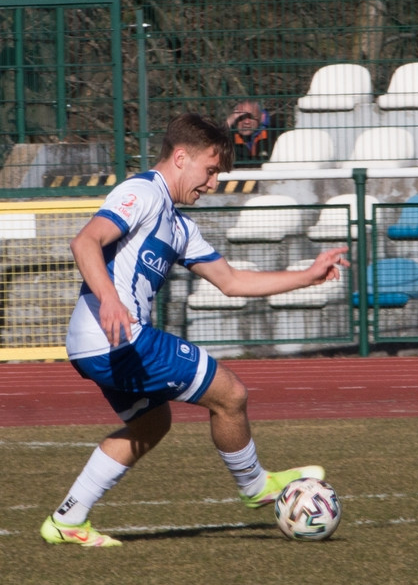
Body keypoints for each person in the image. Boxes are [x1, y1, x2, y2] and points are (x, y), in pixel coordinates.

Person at [39, 113, 349, 547]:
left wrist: (307, 275)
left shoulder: (180, 226)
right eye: (211, 169)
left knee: (152, 424)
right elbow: (85, 241)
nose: (214, 182)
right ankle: (255, 485)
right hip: (117, 336)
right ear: (181, 157)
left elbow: (232, 281)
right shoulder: (142, 192)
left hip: (94, 343)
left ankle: (68, 519)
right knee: (231, 394)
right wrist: (110, 298)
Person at [226, 99, 273, 165]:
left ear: (262, 117)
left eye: (251, 117)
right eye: (241, 117)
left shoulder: (273, 135)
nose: (246, 122)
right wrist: (228, 122)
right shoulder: (230, 136)